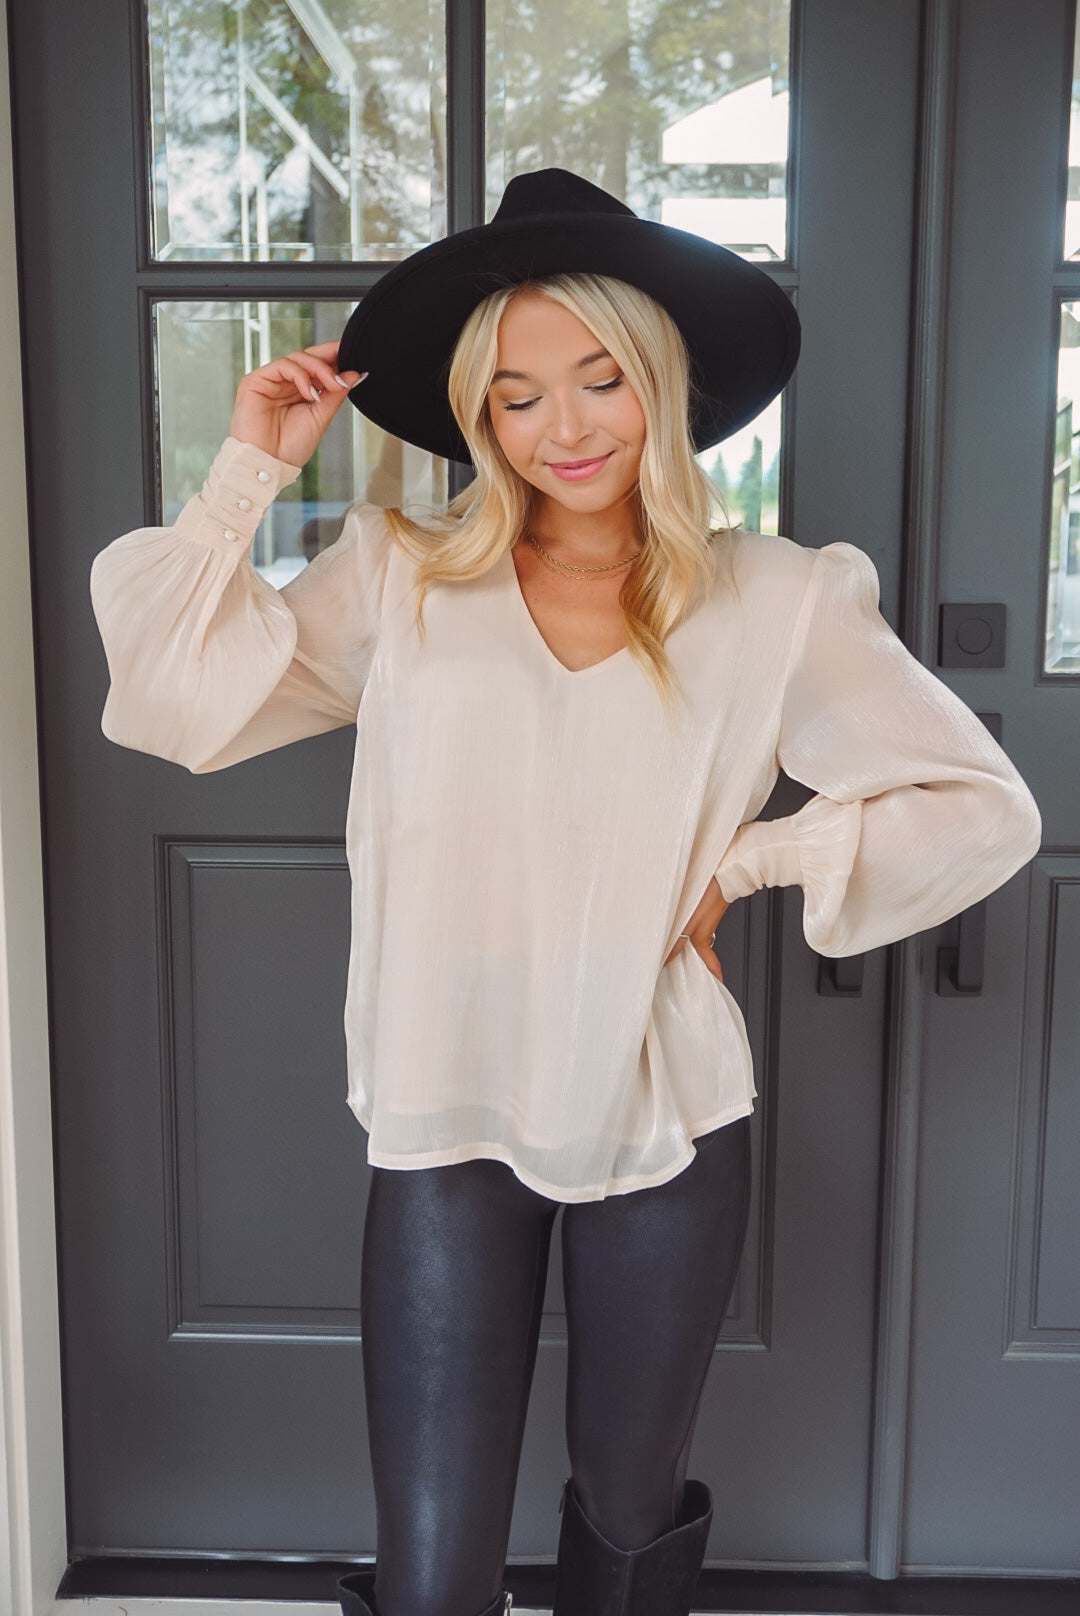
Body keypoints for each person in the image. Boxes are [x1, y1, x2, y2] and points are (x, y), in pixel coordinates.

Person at [89, 169, 1043, 1616]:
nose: (567, 427)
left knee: (627, 1514)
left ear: (662, 384)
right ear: (481, 417)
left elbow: (983, 805)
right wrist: (248, 469)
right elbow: (172, 707)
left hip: (664, 1111)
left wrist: (749, 863)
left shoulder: (781, 598)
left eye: (602, 379)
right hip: (445, 1108)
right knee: (432, 1565)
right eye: (519, 395)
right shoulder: (401, 577)